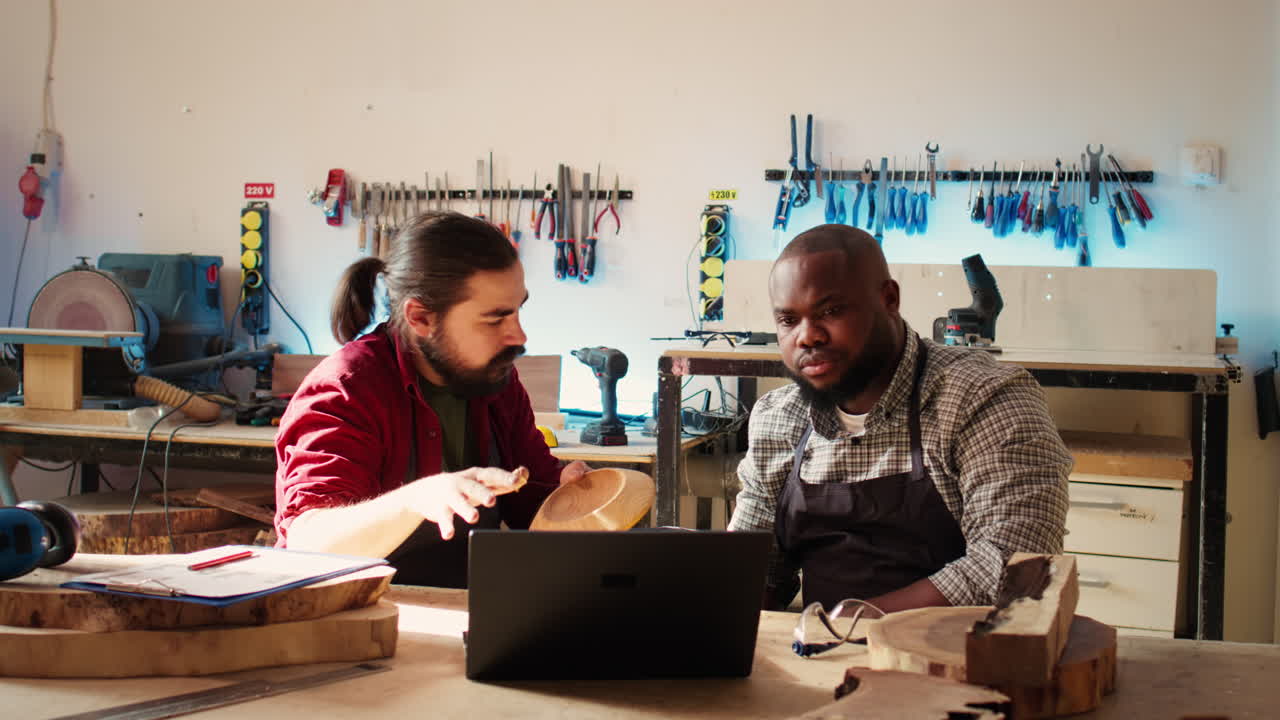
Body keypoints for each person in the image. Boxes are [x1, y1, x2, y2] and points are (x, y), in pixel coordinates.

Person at [728, 224, 1072, 614]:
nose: (807, 337)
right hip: (820, 656)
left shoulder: (980, 397)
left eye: (831, 311)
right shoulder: (779, 418)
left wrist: (862, 621)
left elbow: (1015, 564)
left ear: (888, 298)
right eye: (789, 321)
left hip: (961, 658)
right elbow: (754, 571)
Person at [274, 212, 588, 587]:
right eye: (493, 319)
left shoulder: (495, 378)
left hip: (461, 607)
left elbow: (530, 502)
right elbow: (310, 542)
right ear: (420, 318)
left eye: (519, 309)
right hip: (364, 617)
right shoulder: (347, 387)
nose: (518, 336)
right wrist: (416, 499)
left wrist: (566, 496)